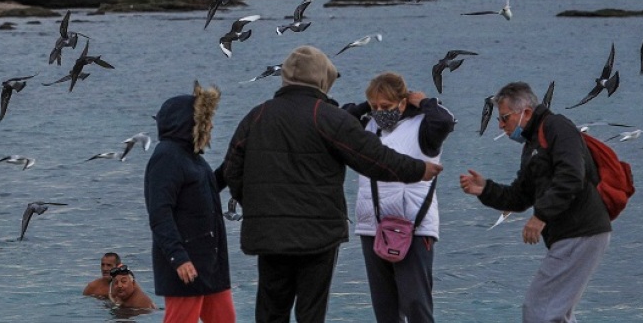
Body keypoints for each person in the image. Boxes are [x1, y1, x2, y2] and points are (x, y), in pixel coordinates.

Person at [223, 45, 443, 323]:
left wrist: (258, 205)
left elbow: (232, 169)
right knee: (310, 312)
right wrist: (418, 169)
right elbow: (374, 159)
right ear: (322, 79)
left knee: (271, 309)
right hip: (319, 233)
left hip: (269, 233)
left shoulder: (256, 115)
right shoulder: (327, 116)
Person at [459, 82, 611, 323]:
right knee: (555, 313)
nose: (500, 126)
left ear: (526, 112)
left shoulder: (557, 127)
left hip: (581, 229)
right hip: (571, 234)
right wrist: (485, 189)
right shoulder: (532, 144)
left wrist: (540, 216)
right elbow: (520, 196)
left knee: (539, 310)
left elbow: (571, 176)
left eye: (504, 118)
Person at [345, 72, 455, 323]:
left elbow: (445, 122)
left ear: (403, 103)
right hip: (372, 227)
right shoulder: (367, 126)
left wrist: (425, 102)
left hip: (415, 228)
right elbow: (340, 119)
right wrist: (367, 105)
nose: (380, 112)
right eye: (375, 107)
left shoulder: (424, 128)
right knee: (385, 308)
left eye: (386, 106)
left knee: (416, 303)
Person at [145, 82, 235, 322]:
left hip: (210, 264)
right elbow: (159, 213)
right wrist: (178, 258)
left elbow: (206, 191)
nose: (212, 125)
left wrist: (231, 167)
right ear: (188, 122)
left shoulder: (192, 158)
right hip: (185, 265)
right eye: (205, 119)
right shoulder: (167, 156)